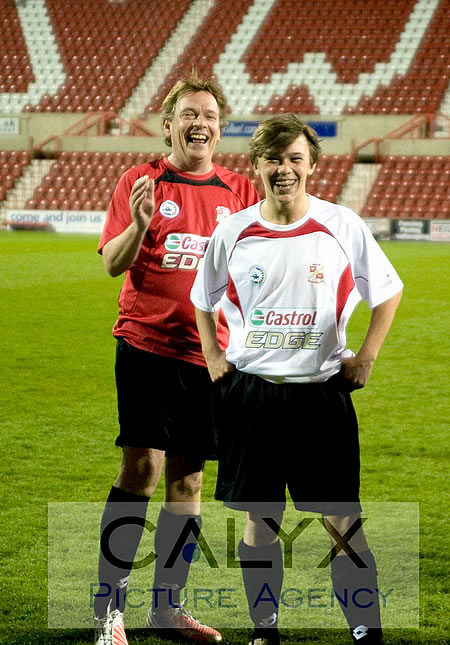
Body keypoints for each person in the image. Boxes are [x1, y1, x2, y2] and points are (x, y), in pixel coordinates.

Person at [191, 114, 403, 645]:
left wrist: (369, 354)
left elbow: (388, 290)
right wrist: (214, 352)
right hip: (253, 397)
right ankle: (265, 630)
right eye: (274, 159)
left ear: (312, 164)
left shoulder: (342, 224)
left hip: (321, 397)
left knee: (342, 521)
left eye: (294, 159)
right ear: (256, 165)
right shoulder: (233, 231)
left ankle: (365, 629)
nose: (284, 169)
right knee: (259, 523)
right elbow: (202, 298)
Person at [93, 73, 260, 645]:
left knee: (188, 486)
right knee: (142, 470)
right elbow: (113, 263)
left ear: (220, 127)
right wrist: (139, 226)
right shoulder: (140, 181)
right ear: (169, 125)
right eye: (189, 113)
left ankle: (167, 608)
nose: (201, 123)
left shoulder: (241, 192)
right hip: (146, 348)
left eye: (210, 115)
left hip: (209, 358)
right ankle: (107, 609)